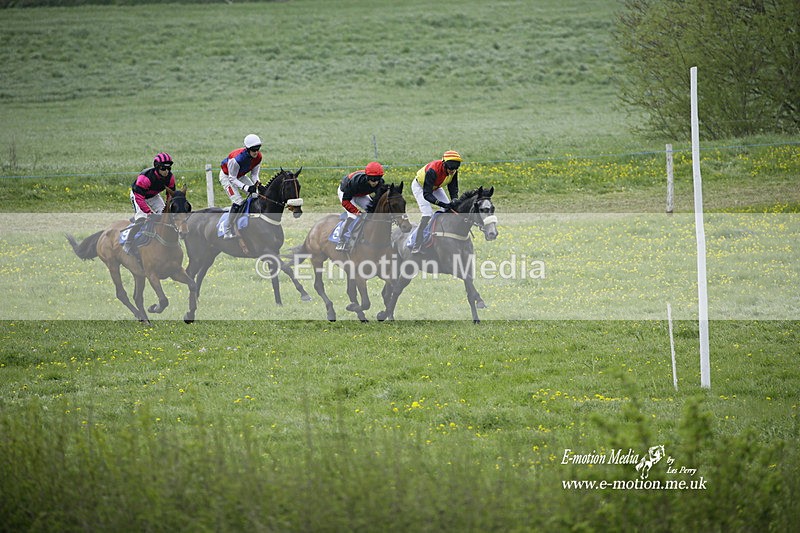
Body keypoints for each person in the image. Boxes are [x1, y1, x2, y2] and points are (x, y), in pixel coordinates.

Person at [124, 152, 176, 256]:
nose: (166, 172)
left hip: (153, 196)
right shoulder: (145, 178)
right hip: (138, 196)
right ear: (157, 167)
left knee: (166, 216)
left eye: (168, 168)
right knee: (142, 219)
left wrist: (168, 207)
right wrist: (149, 212)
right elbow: (139, 198)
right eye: (163, 169)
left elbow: (170, 195)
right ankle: (128, 243)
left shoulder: (170, 178)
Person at [410, 150, 461, 253]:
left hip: (436, 187)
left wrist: (454, 199)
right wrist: (442, 204)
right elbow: (427, 195)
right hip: (421, 187)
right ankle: (417, 242)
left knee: (449, 211)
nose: (453, 171)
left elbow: (453, 187)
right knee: (427, 214)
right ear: (444, 164)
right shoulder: (432, 171)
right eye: (450, 168)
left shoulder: (454, 170)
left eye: (455, 168)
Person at [219, 134, 263, 238]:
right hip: (227, 177)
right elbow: (232, 178)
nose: (256, 152)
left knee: (256, 195)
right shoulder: (236, 159)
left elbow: (254, 174)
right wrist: (247, 187)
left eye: (258, 149)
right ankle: (227, 228)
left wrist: (258, 184)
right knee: (238, 202)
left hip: (240, 175)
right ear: (247, 149)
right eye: (253, 150)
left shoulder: (258, 157)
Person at [336, 161, 385, 251]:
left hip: (361, 193)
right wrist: (357, 212)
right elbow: (345, 202)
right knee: (353, 216)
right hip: (346, 193)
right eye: (372, 179)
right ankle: (341, 240)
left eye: (377, 179)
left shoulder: (380, 183)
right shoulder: (355, 182)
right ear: (367, 177)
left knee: (373, 212)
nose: (375, 182)